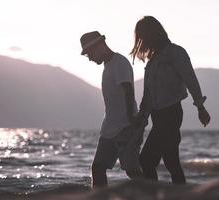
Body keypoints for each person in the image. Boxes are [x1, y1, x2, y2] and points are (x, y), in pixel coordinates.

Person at [130, 16, 211, 184]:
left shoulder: (175, 52)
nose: (141, 41)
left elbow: (190, 80)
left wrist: (200, 108)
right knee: (171, 162)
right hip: (157, 116)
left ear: (152, 34)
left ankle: (154, 195)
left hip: (171, 114)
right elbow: (148, 95)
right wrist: (141, 118)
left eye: (143, 36)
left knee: (146, 160)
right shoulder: (152, 62)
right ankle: (181, 195)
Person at [80, 31, 143, 188]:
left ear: (100, 46)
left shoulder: (120, 63)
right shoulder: (109, 66)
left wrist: (131, 119)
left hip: (125, 128)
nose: (89, 58)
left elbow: (128, 90)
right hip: (109, 129)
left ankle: (155, 194)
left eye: (89, 53)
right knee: (98, 168)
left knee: (132, 171)